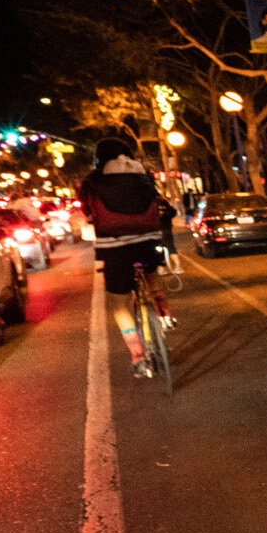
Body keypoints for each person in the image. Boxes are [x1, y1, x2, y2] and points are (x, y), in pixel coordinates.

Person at [79, 138, 177, 379]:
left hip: (114, 248)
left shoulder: (93, 181)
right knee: (152, 271)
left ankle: (138, 357)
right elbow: (157, 203)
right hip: (148, 240)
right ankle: (164, 315)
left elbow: (88, 213)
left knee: (120, 305)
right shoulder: (144, 176)